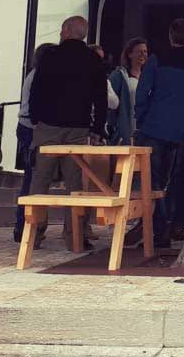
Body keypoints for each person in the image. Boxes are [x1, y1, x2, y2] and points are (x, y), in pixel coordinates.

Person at [28, 16, 108, 249]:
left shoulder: (50, 56)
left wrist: (35, 116)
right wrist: (97, 127)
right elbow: (100, 97)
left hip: (48, 126)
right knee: (75, 184)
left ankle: (34, 234)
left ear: (66, 30)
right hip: (78, 126)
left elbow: (37, 89)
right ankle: (74, 236)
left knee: (41, 180)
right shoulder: (93, 59)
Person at [134, 17, 184, 249]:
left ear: (170, 35)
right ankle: (174, 224)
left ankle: (160, 231)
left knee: (154, 181)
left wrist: (142, 118)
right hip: (183, 130)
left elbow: (142, 92)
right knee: (178, 181)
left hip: (153, 127)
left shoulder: (157, 60)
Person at [11, 42, 53, 242]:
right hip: (31, 128)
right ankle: (24, 227)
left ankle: (24, 227)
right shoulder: (39, 76)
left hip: (27, 127)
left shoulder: (34, 74)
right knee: (32, 179)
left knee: (32, 178)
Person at [108, 38, 148, 145]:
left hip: (145, 132)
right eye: (139, 51)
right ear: (130, 54)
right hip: (125, 131)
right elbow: (110, 104)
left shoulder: (149, 77)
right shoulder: (119, 75)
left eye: (145, 51)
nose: (143, 54)